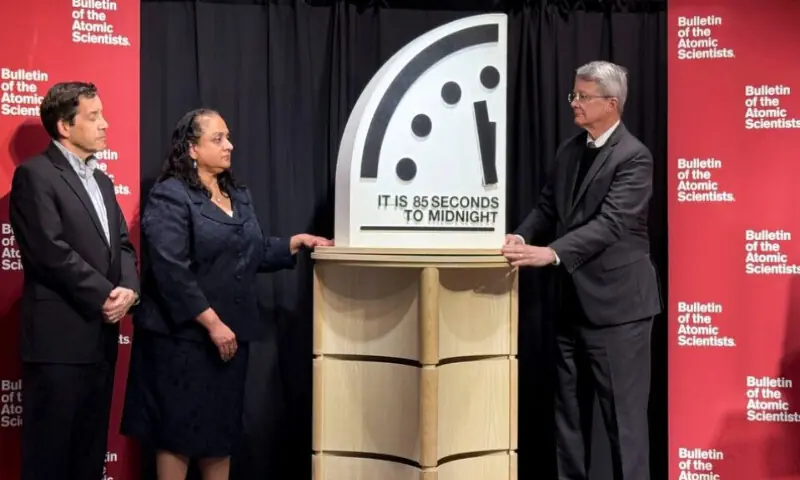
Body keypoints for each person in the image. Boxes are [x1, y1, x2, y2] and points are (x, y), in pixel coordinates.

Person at [120, 108, 332, 480]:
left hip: (229, 342)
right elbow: (171, 270)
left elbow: (247, 253)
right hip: (182, 341)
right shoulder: (170, 195)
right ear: (192, 149)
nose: (229, 145)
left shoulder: (238, 194)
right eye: (217, 138)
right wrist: (212, 323)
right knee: (178, 436)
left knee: (221, 435)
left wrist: (294, 244)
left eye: (228, 137)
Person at [501, 61, 662, 480]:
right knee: (566, 417)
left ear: (612, 104)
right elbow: (548, 207)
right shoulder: (569, 149)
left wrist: (550, 253)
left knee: (623, 423)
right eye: (573, 95)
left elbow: (610, 225)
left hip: (619, 311)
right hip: (570, 305)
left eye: (583, 96)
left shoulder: (634, 157)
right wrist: (521, 237)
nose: (574, 103)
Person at [9, 81, 140, 480]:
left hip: (100, 340)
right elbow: (49, 251)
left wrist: (129, 291)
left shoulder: (101, 181)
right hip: (58, 341)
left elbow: (122, 244)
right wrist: (104, 295)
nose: (105, 123)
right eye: (94, 115)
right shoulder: (34, 175)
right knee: (50, 457)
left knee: (88, 453)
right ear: (65, 126)